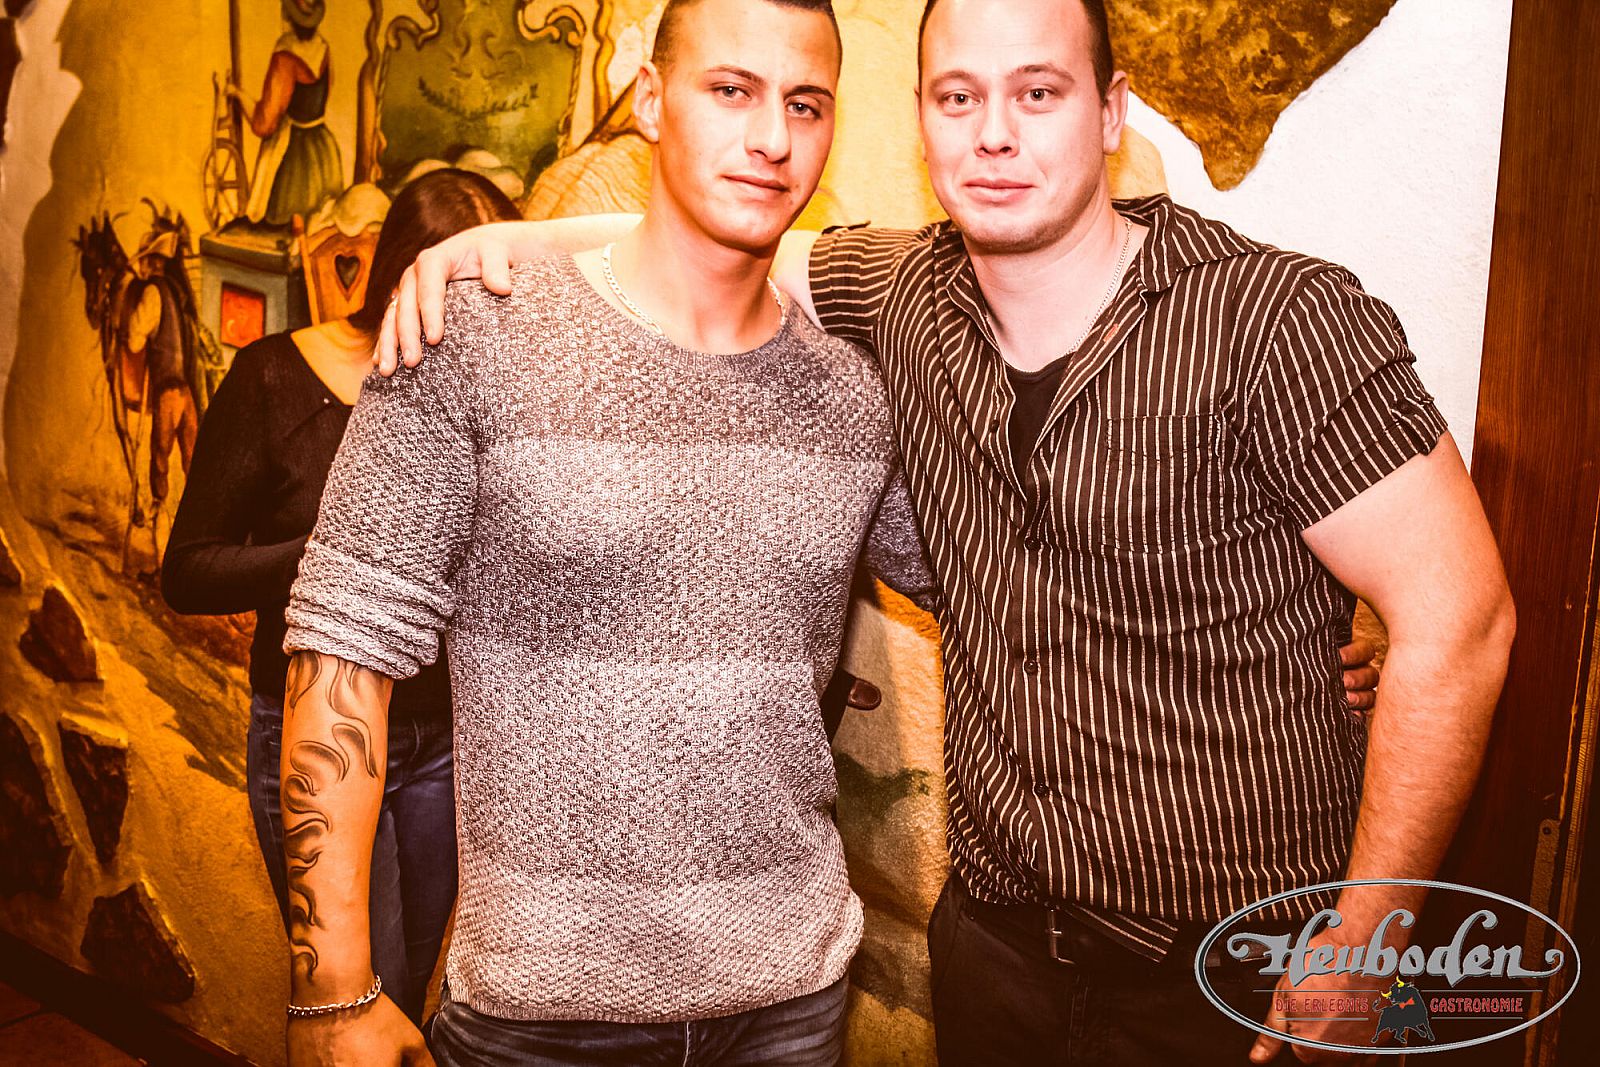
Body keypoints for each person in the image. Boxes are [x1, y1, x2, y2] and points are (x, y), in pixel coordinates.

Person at [381, 1, 1513, 1063]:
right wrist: (496, 243)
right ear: (921, 121)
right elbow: (707, 234)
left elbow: (1459, 619)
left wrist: (1367, 938)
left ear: (1110, 112)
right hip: (994, 953)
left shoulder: (1278, 321)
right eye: (958, 97)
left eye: (1038, 93)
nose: (994, 135)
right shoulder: (907, 292)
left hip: (1230, 976)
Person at [276, 2, 940, 1064]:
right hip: (538, 1017)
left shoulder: (856, 391)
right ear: (650, 100)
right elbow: (343, 645)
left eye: (805, 104)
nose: (771, 136)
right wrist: (332, 990)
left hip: (791, 1001)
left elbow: (994, 570)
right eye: (731, 90)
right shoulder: (475, 329)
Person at [161, 169, 524, 1026]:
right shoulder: (272, 378)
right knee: (354, 991)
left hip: (442, 740)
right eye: (465, 283)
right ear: (406, 274)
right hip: (310, 730)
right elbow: (189, 571)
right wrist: (342, 553)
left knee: (409, 982)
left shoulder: (482, 393)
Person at [231, 0, 342, 227]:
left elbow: (265, 123)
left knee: (281, 225)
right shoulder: (324, 48)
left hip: (294, 162)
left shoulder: (285, 56)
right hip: (325, 153)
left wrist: (237, 94)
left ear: (288, 16)